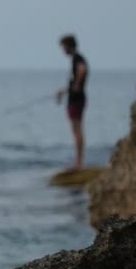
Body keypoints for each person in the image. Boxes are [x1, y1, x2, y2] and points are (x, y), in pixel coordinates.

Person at [56, 34, 88, 170]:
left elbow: (82, 69)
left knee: (77, 130)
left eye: (63, 46)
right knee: (76, 130)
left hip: (77, 99)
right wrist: (63, 91)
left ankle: (79, 163)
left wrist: (76, 84)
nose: (63, 49)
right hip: (75, 98)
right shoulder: (75, 59)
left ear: (69, 46)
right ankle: (78, 161)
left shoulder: (77, 58)